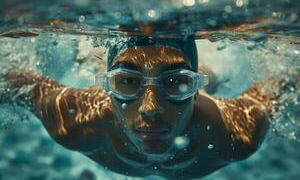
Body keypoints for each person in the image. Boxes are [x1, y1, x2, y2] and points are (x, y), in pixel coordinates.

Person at [1, 35, 281, 179]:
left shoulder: (236, 133)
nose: (150, 108)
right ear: (106, 90)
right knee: (91, 63)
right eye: (124, 82)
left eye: (176, 82)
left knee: (211, 75)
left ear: (195, 90)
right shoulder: (75, 121)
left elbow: (281, 83)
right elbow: (13, 82)